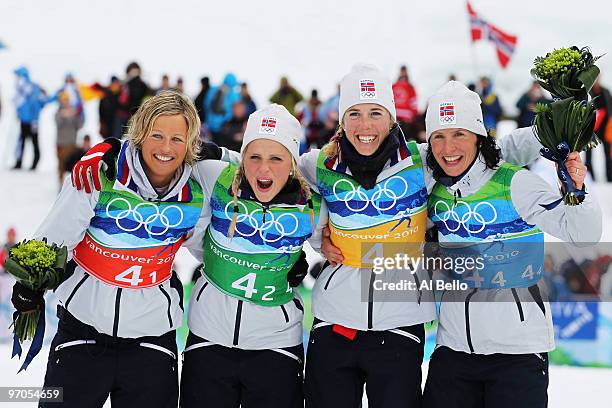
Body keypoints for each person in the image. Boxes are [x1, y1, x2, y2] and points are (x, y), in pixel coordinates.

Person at [72, 64, 545, 408]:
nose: (364, 125)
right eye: (354, 114)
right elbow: (244, 158)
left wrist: (556, 136)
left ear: (392, 118)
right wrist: (114, 147)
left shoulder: (427, 157)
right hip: (327, 319)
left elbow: (483, 146)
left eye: (375, 112)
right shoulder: (314, 166)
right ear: (341, 120)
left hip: (401, 319)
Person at [11, 91, 206, 407]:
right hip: (83, 331)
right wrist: (29, 284)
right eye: (157, 135)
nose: (166, 148)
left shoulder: (196, 193)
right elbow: (58, 229)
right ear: (140, 134)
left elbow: (216, 246)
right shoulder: (99, 173)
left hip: (152, 342)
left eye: (177, 139)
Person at [421, 81, 602, 408]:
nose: (448, 147)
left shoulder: (515, 182)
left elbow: (582, 232)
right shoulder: (433, 186)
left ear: (478, 137)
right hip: (453, 350)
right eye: (439, 136)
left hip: (517, 353)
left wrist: (575, 191)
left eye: (459, 134)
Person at [180, 104, 326, 408]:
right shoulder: (215, 176)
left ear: (292, 164)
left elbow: (340, 244)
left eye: (276, 158)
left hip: (277, 344)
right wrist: (108, 149)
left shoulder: (312, 203)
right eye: (254, 156)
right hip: (208, 337)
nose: (264, 169)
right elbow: (161, 154)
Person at [12, 66, 47, 170]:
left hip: (33, 121)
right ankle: (18, 162)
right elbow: (21, 104)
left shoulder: (32, 87)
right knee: (21, 141)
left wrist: (34, 119)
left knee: (34, 141)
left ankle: (35, 163)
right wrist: (19, 113)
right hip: (24, 120)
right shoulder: (21, 88)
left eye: (18, 75)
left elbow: (38, 104)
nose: (17, 78)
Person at [114, 61, 152, 138]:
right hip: (122, 115)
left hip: (135, 116)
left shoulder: (141, 85)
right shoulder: (123, 84)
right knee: (117, 138)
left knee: (133, 138)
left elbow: (142, 96)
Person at [55, 91, 83, 185]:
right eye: (63, 100)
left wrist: (76, 115)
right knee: (61, 166)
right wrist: (64, 115)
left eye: (66, 100)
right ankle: (60, 184)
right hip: (61, 143)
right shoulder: (58, 113)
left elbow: (79, 125)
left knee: (73, 166)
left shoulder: (73, 112)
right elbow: (58, 124)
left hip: (71, 143)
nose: (65, 102)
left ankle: (73, 184)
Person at [586, 78, 612, 181]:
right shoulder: (589, 92)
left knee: (608, 154)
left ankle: (609, 176)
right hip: (592, 130)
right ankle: (590, 177)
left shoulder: (605, 91)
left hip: (605, 129)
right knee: (588, 155)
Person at [204, 73, 241, 143]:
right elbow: (235, 110)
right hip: (224, 127)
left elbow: (206, 105)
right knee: (222, 149)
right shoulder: (233, 94)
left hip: (209, 125)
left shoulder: (213, 89)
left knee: (211, 148)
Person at [392, 65, 419, 141]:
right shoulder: (394, 86)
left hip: (407, 119)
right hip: (396, 117)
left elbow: (413, 102)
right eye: (402, 71)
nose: (403, 73)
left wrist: (414, 115)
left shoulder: (410, 87)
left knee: (406, 139)